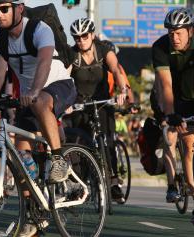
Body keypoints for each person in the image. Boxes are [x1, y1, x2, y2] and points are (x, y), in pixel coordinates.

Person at [0, 1, 77, 236]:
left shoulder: (40, 29)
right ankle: (33, 215)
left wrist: (33, 91)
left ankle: (59, 159)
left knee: (41, 100)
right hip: (28, 97)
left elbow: (43, 62)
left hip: (58, 85)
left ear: (19, 8)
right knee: (21, 159)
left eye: (4, 9)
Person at [152, 7, 194, 228]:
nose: (174, 37)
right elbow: (165, 85)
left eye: (179, 32)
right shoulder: (160, 47)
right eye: (171, 32)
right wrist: (171, 114)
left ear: (191, 30)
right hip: (175, 97)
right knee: (183, 140)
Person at [68, 17, 130, 204]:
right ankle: (81, 183)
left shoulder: (103, 49)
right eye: (77, 37)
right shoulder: (72, 55)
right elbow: (63, 77)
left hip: (103, 102)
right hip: (80, 104)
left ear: (92, 35)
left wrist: (123, 91)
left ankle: (113, 183)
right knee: (79, 143)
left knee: (107, 140)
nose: (81, 40)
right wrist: (65, 102)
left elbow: (116, 70)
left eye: (84, 36)